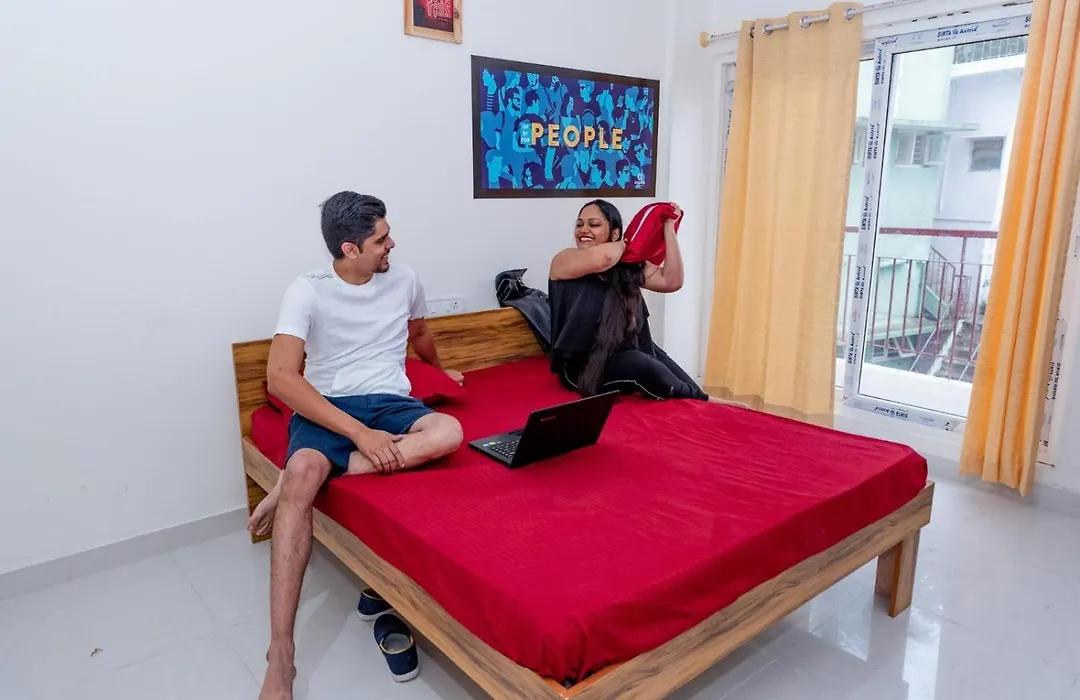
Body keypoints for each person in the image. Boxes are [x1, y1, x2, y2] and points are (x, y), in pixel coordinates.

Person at [251, 192, 464, 700]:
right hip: (329, 405)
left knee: (449, 433)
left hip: (391, 402)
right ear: (350, 249)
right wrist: (358, 433)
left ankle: (296, 477)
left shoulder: (405, 279)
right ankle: (281, 653)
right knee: (304, 477)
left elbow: (420, 332)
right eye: (381, 239)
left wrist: (440, 371)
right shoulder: (308, 290)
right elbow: (281, 377)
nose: (392, 244)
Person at [548, 199, 710, 402]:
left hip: (621, 353)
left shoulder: (627, 266)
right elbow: (605, 259)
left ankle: (703, 399)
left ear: (614, 233)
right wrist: (628, 242)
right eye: (579, 224)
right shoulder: (564, 260)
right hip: (579, 368)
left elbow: (672, 281)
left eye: (594, 224)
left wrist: (669, 229)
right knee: (640, 362)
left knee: (657, 356)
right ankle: (696, 397)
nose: (584, 230)